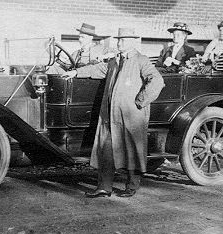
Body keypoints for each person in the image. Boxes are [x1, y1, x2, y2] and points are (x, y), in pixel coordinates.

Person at [62, 28, 164, 198]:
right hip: (110, 116)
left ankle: (131, 187)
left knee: (132, 150)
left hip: (131, 116)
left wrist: (140, 101)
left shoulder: (141, 60)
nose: (119, 43)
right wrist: (76, 72)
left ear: (132, 42)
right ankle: (104, 187)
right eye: (118, 40)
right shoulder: (114, 61)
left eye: (123, 40)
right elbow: (97, 70)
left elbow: (157, 81)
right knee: (106, 150)